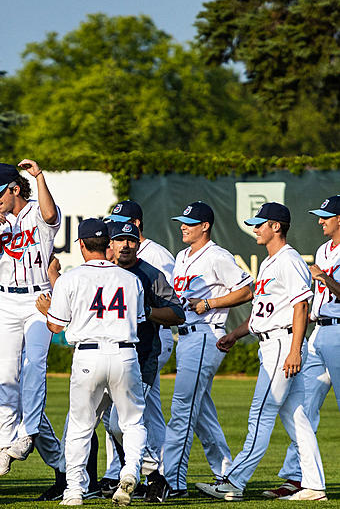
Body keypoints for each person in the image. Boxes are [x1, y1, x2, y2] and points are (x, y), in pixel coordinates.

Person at [198, 202, 326, 501]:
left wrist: (295, 350)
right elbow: (263, 312)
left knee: (261, 414)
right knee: (297, 418)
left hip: (283, 343)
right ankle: (315, 485)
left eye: (261, 223)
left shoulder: (288, 259)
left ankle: (233, 481)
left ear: (276, 226)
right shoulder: (270, 262)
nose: (255, 228)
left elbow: (301, 306)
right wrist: (235, 333)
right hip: (271, 340)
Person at [36, 218, 147, 507]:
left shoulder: (70, 278)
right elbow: (138, 322)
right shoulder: (130, 279)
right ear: (109, 244)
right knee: (133, 422)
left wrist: (48, 312)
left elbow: (56, 327)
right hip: (125, 353)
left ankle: (74, 490)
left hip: (87, 355)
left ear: (82, 245)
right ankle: (131, 471)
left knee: (80, 425)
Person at [0, 161, 62, 476]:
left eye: (0, 193)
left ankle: (28, 433)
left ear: (15, 189)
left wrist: (39, 177)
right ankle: (6, 443)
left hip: (38, 298)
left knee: (34, 366)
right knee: (5, 375)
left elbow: (50, 216)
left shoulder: (37, 210)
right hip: (6, 300)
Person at [161, 201, 253, 496]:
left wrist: (211, 303)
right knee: (201, 415)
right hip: (187, 336)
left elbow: (247, 290)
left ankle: (172, 482)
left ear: (206, 226)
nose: (183, 226)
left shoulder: (217, 256)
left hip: (204, 334)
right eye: (182, 221)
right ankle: (227, 473)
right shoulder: (181, 255)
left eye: (190, 222)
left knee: (182, 410)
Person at [101, 221, 185, 502]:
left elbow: (177, 313)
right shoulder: (103, 273)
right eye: (119, 240)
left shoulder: (150, 274)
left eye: (131, 240)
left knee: (119, 423)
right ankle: (150, 477)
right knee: (110, 420)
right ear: (110, 244)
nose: (125, 245)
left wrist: (147, 310)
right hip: (106, 357)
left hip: (142, 357)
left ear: (138, 242)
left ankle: (151, 476)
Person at [267, 195, 340, 499]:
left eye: (326, 216)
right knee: (301, 407)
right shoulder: (324, 249)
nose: (320, 221)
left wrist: (323, 277)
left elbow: (328, 286)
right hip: (319, 332)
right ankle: (299, 477)